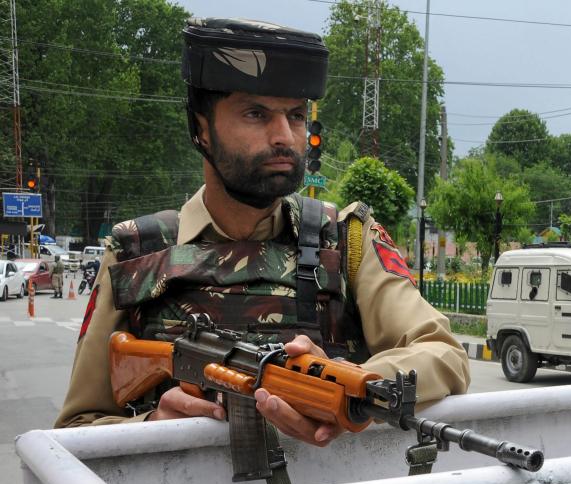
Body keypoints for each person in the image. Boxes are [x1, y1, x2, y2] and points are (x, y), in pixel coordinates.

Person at [56, 17, 470, 449]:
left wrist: (346, 385)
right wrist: (153, 426)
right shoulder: (135, 251)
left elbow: (444, 354)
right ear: (201, 127)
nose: (284, 136)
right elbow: (74, 431)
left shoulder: (347, 238)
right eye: (256, 114)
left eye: (295, 115)